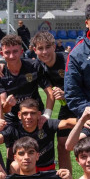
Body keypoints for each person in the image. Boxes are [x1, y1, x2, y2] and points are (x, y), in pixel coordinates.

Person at [31, 31, 76, 171]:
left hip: (83, 105)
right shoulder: (39, 66)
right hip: (66, 107)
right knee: (62, 144)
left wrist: (67, 94)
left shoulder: (69, 60)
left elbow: (86, 86)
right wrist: (47, 115)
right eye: (40, 48)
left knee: (88, 143)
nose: (44, 52)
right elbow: (50, 93)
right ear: (35, 50)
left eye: (48, 47)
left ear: (54, 46)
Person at [0, 98, 75, 172]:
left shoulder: (46, 124)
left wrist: (84, 120)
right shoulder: (14, 128)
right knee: (15, 165)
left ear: (39, 114)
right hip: (24, 170)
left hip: (46, 169)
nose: (29, 117)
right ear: (19, 115)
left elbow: (67, 123)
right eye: (25, 113)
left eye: (32, 113)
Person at [0, 34, 57, 126]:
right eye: (7, 52)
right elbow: (4, 109)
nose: (11, 56)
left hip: (35, 115)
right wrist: (8, 104)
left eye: (15, 51)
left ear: (21, 52)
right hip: (13, 118)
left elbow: (50, 93)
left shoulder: (34, 66)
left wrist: (46, 115)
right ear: (2, 54)